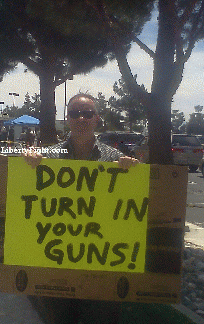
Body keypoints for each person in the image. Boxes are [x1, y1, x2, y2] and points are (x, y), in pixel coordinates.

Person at [23, 93, 139, 324]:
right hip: (57, 263)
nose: (81, 119)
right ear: (67, 119)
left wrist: (133, 169)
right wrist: (28, 162)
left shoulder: (114, 157)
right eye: (75, 114)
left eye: (87, 114)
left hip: (101, 263)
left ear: (97, 119)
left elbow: (132, 204)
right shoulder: (51, 157)